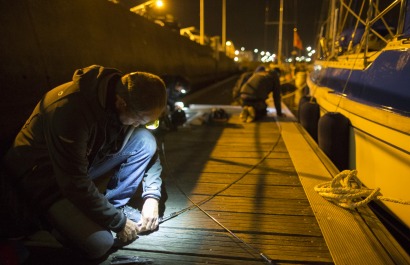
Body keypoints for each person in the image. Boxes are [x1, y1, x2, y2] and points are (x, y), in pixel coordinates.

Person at [0, 65, 167, 261]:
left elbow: (151, 151)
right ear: (122, 103)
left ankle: (111, 206)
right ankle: (49, 221)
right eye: (140, 119)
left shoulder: (117, 99)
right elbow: (73, 182)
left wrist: (152, 197)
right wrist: (118, 222)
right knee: (100, 244)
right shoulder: (71, 111)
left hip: (78, 167)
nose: (139, 124)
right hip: (43, 180)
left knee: (146, 140)